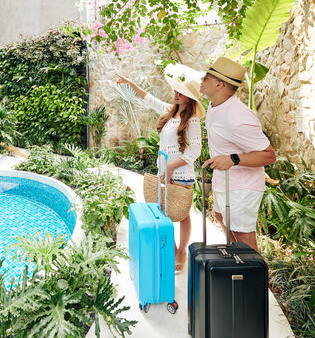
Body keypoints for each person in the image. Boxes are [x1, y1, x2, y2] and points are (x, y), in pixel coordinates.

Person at [115, 72, 204, 273]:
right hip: (164, 171)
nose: (176, 94)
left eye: (180, 92)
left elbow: (195, 150)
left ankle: (182, 252)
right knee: (164, 210)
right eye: (176, 90)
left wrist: (172, 167)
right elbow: (147, 98)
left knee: (182, 213)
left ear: (189, 97)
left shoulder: (192, 120)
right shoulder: (168, 111)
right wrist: (130, 81)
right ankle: (173, 250)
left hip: (180, 172)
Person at [200, 57, 276, 251]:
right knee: (221, 221)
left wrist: (233, 159)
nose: (202, 78)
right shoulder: (215, 104)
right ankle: (241, 271)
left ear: (219, 84)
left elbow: (268, 155)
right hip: (225, 182)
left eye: (207, 76)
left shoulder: (238, 117)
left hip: (243, 187)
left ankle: (258, 279)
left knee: (243, 237)